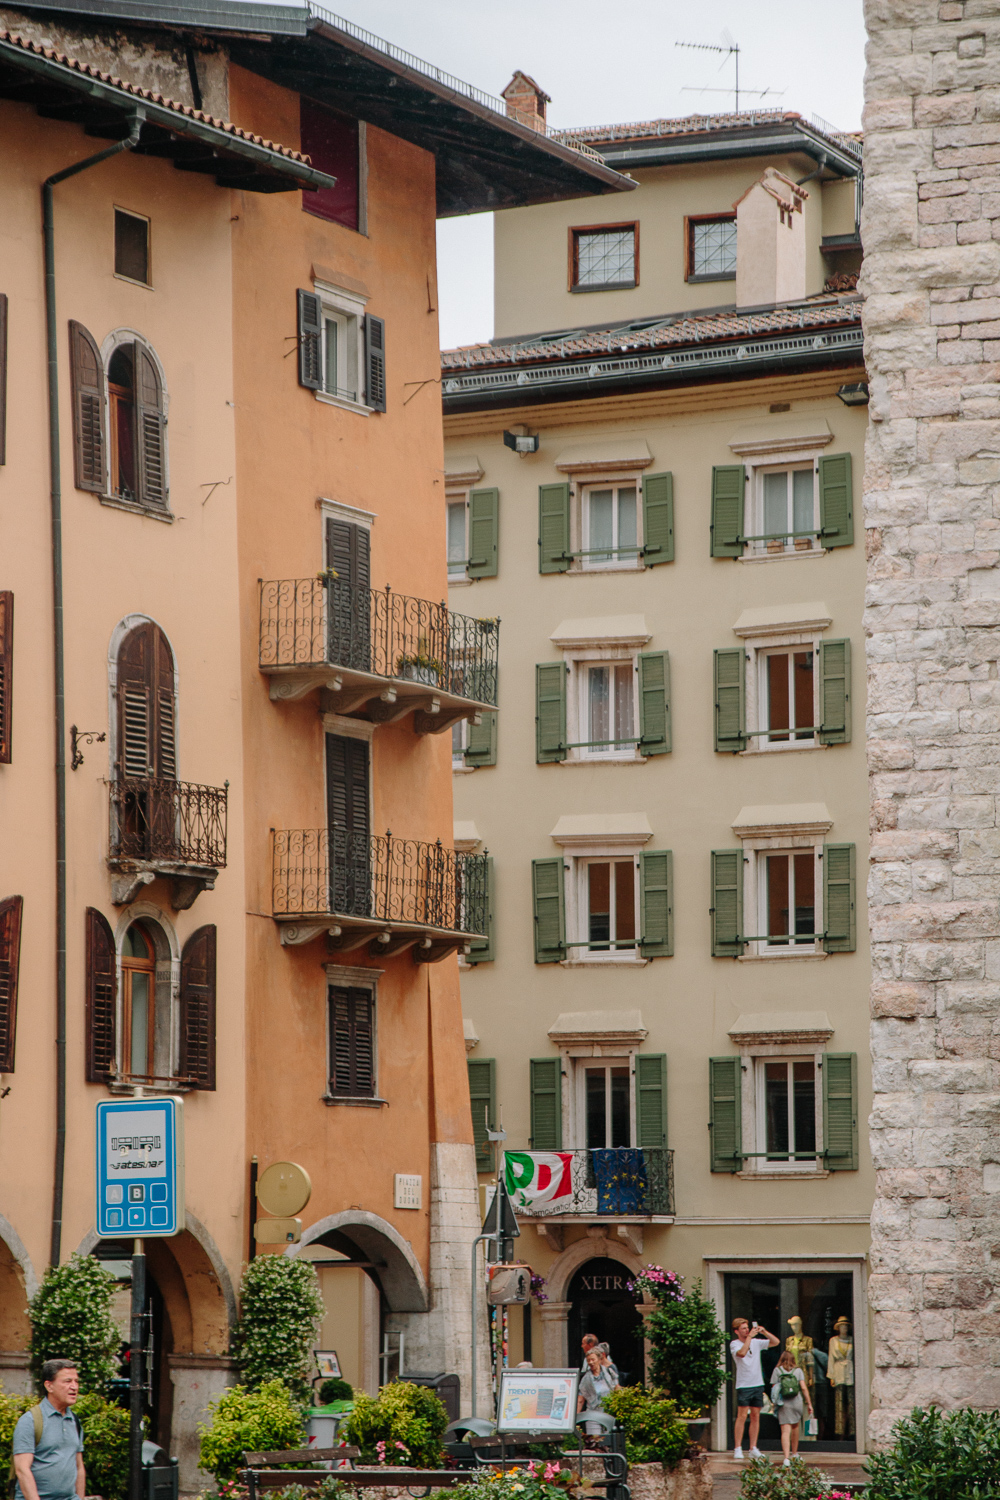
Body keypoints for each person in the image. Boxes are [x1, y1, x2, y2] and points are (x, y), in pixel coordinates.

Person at [12, 1359, 85, 1500]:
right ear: (49, 1386)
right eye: (67, 1381)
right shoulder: (30, 1421)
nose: (74, 1387)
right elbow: (22, 1470)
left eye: (76, 1381)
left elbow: (79, 1466)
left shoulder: (74, 1421)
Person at [729, 1317, 780, 1460]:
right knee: (742, 1416)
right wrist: (749, 1338)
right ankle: (738, 1447)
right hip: (744, 1384)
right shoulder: (735, 1344)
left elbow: (775, 1342)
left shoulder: (757, 1342)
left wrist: (764, 1332)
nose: (746, 1330)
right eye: (743, 1329)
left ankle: (753, 1447)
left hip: (757, 1383)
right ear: (737, 1331)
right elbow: (741, 1353)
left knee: (756, 1416)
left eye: (747, 1328)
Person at [770, 1348, 814, 1466]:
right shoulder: (798, 1371)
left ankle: (786, 1457)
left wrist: (773, 1403)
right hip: (797, 1402)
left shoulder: (777, 1371)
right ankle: (794, 1453)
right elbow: (803, 1388)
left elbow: (774, 1389)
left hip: (784, 1403)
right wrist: (809, 1403)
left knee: (785, 1430)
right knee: (795, 1427)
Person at [577, 1346, 618, 1440]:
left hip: (608, 1414)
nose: (590, 1362)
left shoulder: (609, 1373)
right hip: (593, 1415)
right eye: (588, 1360)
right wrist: (575, 1418)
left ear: (599, 1360)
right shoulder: (586, 1379)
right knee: (596, 1443)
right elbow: (580, 1399)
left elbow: (616, 1389)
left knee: (608, 1443)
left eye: (593, 1359)